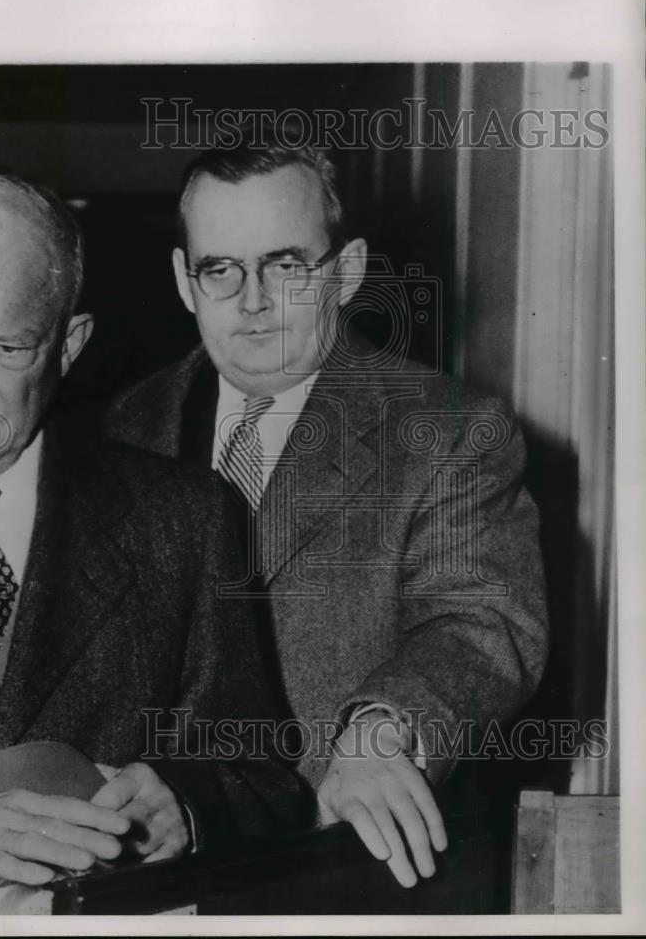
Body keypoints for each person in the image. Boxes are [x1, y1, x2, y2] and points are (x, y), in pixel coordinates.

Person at [105, 140, 549, 889]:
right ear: (185, 282)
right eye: (220, 269)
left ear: (345, 272)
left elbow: (480, 622)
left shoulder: (446, 429)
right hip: (143, 874)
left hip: (339, 866)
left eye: (285, 265)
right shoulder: (119, 428)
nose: (251, 301)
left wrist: (384, 728)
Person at [0, 173, 310, 914]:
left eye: (6, 347)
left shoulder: (185, 518)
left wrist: (184, 805)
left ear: (68, 345)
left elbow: (259, 773)